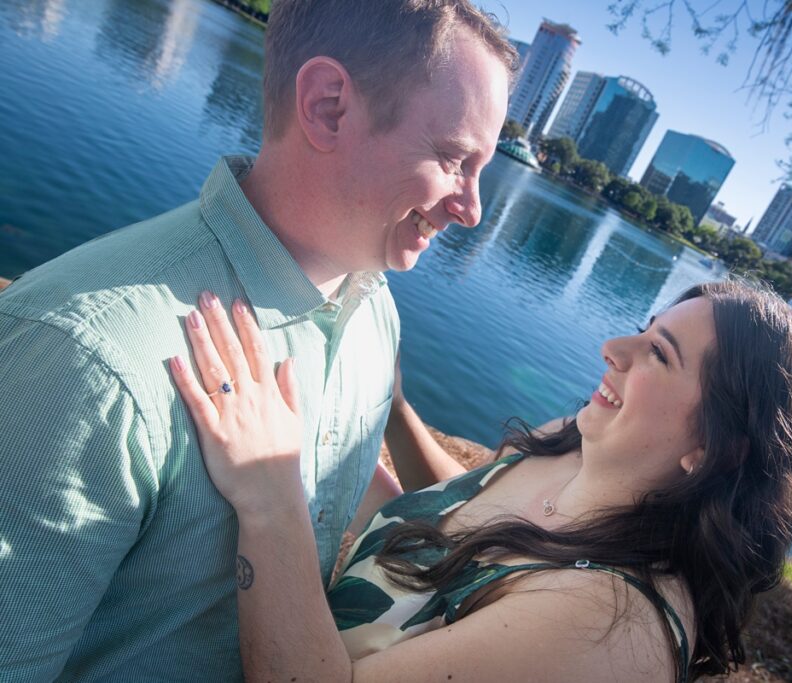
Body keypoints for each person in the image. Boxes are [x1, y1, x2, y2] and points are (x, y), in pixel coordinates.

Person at [0, 1, 516, 679]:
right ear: (328, 106)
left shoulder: (374, 316)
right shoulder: (95, 362)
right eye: (455, 159)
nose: (472, 209)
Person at [170, 279, 792, 682]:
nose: (614, 349)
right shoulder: (589, 445)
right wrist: (395, 413)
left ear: (716, 447)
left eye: (658, 355)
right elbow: (462, 524)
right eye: (644, 330)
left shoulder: (608, 631)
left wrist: (270, 492)